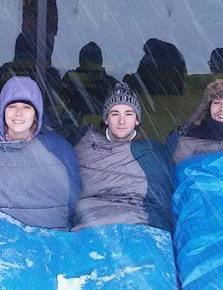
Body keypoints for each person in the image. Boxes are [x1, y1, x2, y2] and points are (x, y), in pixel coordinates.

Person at [0, 76, 80, 231]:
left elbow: (71, 202)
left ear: (36, 113)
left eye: (26, 107)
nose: (18, 113)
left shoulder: (60, 151)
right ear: (2, 110)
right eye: (12, 106)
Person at [71, 83, 173, 232]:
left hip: (137, 226)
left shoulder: (152, 153)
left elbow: (159, 204)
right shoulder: (83, 144)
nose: (121, 121)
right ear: (106, 119)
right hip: (88, 225)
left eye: (128, 114)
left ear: (137, 120)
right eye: (115, 114)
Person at [60, 41, 118, 125]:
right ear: (100, 62)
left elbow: (58, 107)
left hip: (72, 130)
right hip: (104, 130)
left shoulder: (70, 79)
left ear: (80, 61)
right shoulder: (111, 83)